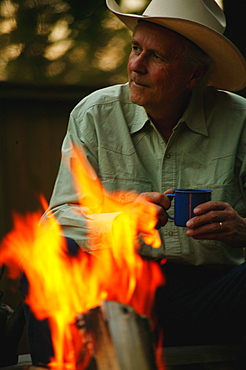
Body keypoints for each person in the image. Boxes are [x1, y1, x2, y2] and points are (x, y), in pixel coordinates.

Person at [23, 0, 246, 368]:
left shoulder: (239, 122)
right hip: (118, 295)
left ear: (194, 75)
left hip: (212, 295)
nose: (135, 66)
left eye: (156, 56)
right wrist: (120, 222)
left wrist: (240, 229)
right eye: (135, 48)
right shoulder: (96, 115)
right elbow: (58, 218)